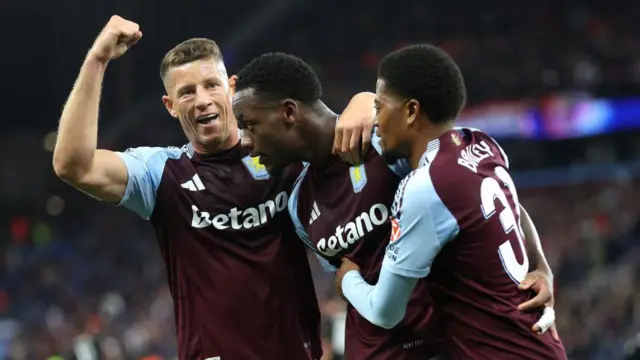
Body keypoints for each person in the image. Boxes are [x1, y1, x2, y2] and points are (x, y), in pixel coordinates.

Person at [52, 16, 374, 360]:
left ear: (231, 87)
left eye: (211, 85)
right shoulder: (161, 173)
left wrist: (366, 101)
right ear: (171, 106)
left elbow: (342, 128)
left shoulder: (283, 153)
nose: (202, 99)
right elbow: (73, 164)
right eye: (187, 92)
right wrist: (97, 60)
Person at [232, 52, 559, 360]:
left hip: (441, 346)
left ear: (288, 112)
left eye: (249, 124)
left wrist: (540, 266)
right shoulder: (299, 207)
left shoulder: (389, 146)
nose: (245, 141)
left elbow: (487, 200)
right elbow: (354, 282)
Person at [337, 44, 567, 359]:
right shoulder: (482, 142)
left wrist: (347, 278)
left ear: (411, 111)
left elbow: (385, 311)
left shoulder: (424, 186)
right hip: (541, 348)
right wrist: (541, 264)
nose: (375, 121)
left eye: (379, 107)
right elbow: (513, 206)